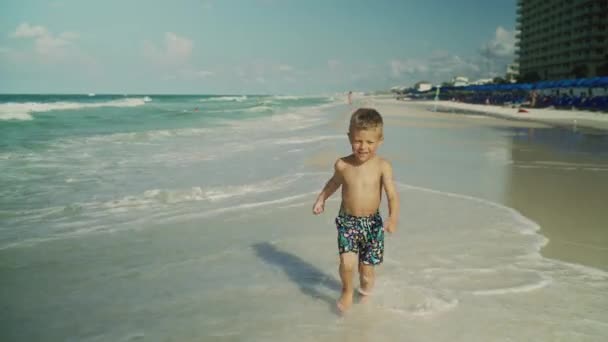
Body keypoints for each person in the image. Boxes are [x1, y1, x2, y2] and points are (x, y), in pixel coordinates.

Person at [312, 107, 400, 313]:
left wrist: (393, 218)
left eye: (370, 142)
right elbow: (333, 183)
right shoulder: (343, 164)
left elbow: (392, 195)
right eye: (358, 140)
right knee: (347, 263)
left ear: (380, 141)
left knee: (367, 272)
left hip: (372, 224)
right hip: (348, 222)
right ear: (349, 136)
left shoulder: (382, 166)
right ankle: (347, 290)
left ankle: (366, 295)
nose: (363, 147)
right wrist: (321, 199)